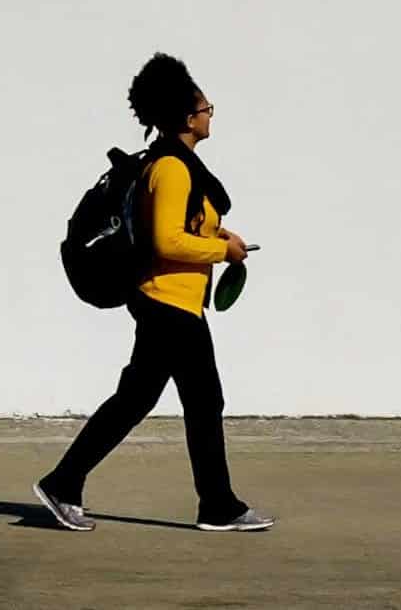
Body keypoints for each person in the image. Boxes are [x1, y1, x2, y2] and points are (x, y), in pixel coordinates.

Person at [33, 53, 275, 532]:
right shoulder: (171, 169)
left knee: (158, 399)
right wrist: (220, 254)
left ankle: (69, 482)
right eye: (207, 109)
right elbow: (165, 240)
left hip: (176, 303)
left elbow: (184, 228)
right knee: (185, 401)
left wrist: (222, 238)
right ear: (187, 118)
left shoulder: (178, 165)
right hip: (167, 303)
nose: (209, 116)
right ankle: (213, 504)